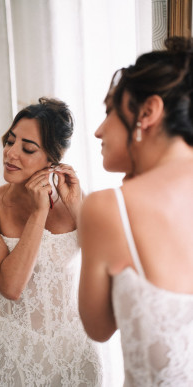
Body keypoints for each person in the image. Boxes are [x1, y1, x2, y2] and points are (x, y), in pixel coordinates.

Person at [0, 97, 106, 386]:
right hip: (15, 357)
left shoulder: (75, 199)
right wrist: (39, 212)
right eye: (10, 141)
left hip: (75, 352)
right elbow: (11, 286)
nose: (10, 153)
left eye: (27, 148)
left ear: (53, 160)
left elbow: (107, 267)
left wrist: (78, 206)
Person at [78, 36, 193, 386]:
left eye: (110, 110)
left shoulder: (109, 208)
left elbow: (98, 328)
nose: (99, 129)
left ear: (148, 112)